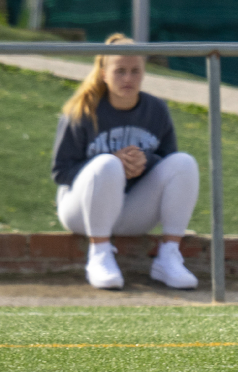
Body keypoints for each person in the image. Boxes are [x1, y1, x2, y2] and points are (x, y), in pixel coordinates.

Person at [51, 34, 200, 291]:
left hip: (132, 211)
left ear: (144, 72)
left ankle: (169, 256)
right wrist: (109, 165)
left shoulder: (156, 110)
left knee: (185, 162)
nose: (128, 78)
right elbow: (60, 171)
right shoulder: (83, 109)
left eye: (135, 71)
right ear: (103, 72)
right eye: (120, 71)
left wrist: (145, 162)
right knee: (107, 164)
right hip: (81, 213)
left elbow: (170, 166)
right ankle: (99, 254)